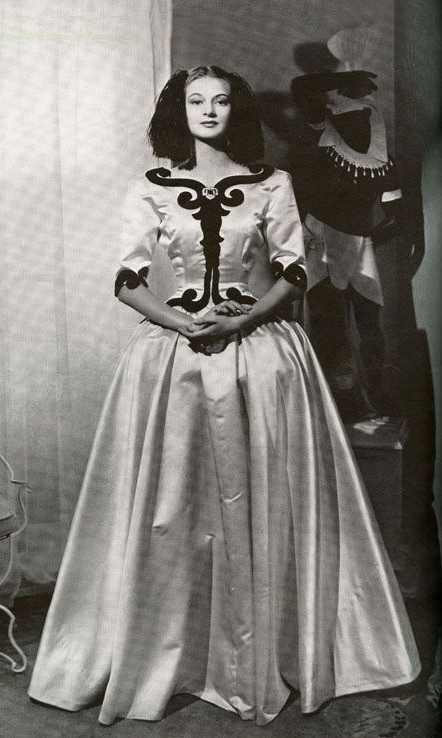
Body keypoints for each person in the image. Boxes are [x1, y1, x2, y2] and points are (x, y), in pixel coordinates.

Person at [28, 65, 420, 727]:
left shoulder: (273, 183)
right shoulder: (148, 186)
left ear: (235, 111)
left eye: (220, 101)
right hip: (173, 360)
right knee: (171, 507)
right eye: (196, 101)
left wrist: (243, 320)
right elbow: (127, 280)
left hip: (263, 357)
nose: (209, 111)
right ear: (178, 112)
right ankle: (170, 652)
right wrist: (182, 324)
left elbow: (294, 272)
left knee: (266, 493)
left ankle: (270, 651)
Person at [290, 29, 403, 420]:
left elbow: (391, 195)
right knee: (331, 323)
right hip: (323, 234)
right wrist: (344, 79)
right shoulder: (322, 122)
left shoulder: (377, 136)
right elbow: (300, 88)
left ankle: (377, 396)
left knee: (370, 323)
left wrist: (382, 222)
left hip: (360, 239)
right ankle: (343, 403)